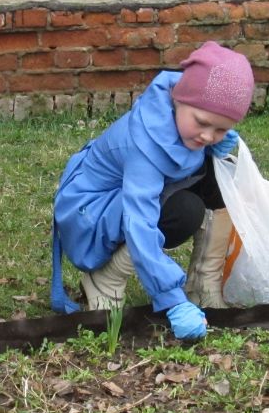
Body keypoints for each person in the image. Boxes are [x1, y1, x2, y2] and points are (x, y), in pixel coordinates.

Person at [50, 41, 256, 341]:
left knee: (220, 176)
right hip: (90, 218)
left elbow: (199, 148)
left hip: (121, 203)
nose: (208, 135)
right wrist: (171, 300)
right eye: (202, 123)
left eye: (221, 129)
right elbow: (140, 223)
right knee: (185, 211)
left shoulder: (184, 122)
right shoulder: (143, 147)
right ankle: (105, 278)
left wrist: (218, 149)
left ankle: (202, 283)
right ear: (179, 99)